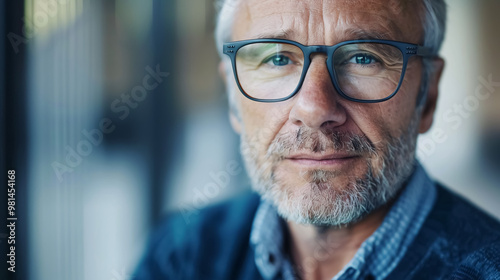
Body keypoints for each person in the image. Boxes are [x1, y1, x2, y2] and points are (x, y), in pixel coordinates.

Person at [135, 0, 500, 279]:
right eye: (277, 59)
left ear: (428, 95)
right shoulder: (181, 255)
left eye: (362, 57)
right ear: (232, 95)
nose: (314, 107)